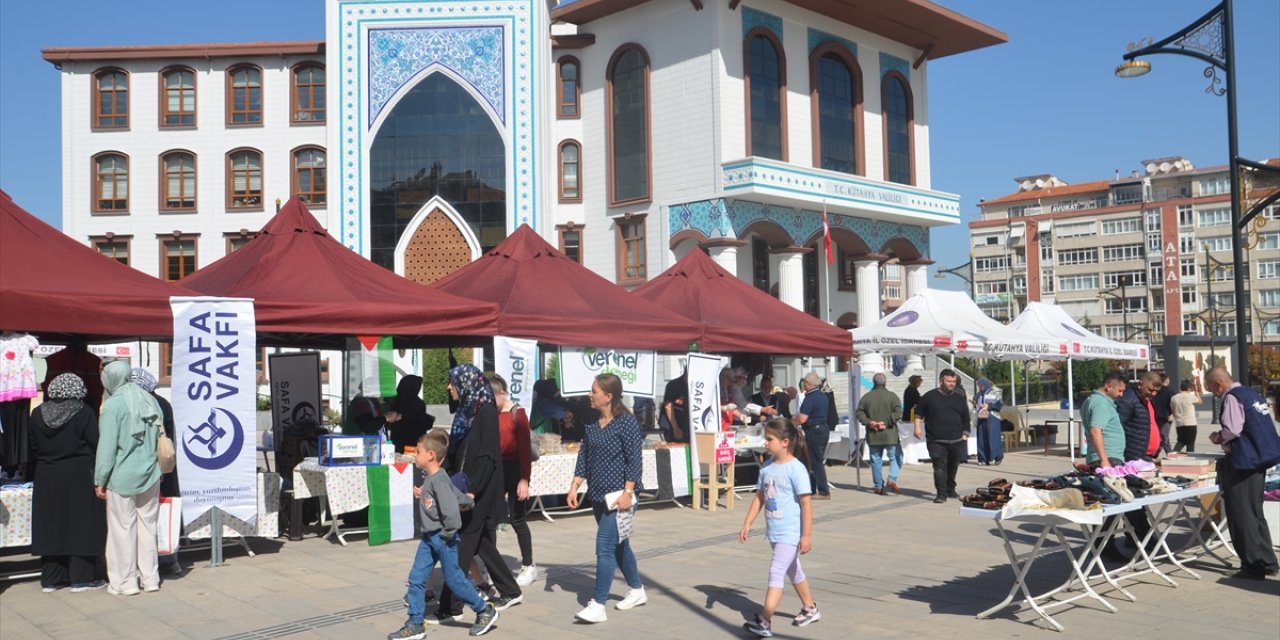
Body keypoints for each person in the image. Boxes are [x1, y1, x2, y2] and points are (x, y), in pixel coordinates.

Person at [430, 365, 522, 624]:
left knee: (459, 549)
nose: (449, 387)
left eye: (452, 382)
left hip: (477, 491)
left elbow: (487, 456)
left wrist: (471, 491)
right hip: (467, 487)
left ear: (467, 383)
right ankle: (510, 590)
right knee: (481, 543)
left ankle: (451, 606)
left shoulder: (485, 411)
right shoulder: (468, 410)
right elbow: (458, 449)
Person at [389, 432, 499, 639]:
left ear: (431, 455)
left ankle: (485, 610)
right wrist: (467, 501)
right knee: (416, 580)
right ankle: (415, 624)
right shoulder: (436, 480)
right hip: (429, 539)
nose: (415, 455)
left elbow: (451, 514)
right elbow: (456, 497)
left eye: (418, 452)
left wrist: (447, 534)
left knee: (455, 579)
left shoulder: (438, 480)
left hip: (442, 538)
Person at [566, 373, 646, 623]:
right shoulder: (591, 422)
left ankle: (598, 603)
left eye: (594, 391)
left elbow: (635, 460)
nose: (590, 395)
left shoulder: (627, 423)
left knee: (604, 546)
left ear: (609, 396)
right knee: (619, 544)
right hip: (598, 495)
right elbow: (584, 456)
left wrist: (628, 492)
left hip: (620, 497)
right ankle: (637, 590)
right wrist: (574, 485)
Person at [738, 419, 820, 637]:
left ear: (785, 442)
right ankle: (810, 608)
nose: (765, 443)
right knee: (793, 570)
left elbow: (806, 505)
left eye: (769, 439)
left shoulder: (797, 469)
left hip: (790, 533)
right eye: (765, 439)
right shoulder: (766, 467)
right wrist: (747, 523)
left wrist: (806, 535)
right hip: (774, 532)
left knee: (776, 572)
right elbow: (759, 498)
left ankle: (764, 620)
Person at [29, 373, 106, 593]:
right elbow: (95, 442)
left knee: (50, 525)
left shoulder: (37, 414)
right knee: (81, 524)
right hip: (78, 474)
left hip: (46, 475)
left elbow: (33, 446)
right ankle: (82, 579)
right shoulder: (83, 413)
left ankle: (52, 579)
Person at [94, 360, 163, 596]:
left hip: (122, 477)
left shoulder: (112, 405)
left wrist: (100, 479)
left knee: (121, 529)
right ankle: (151, 578)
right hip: (151, 473)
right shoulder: (149, 399)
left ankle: (125, 582)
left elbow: (107, 448)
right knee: (148, 527)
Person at [1205, 367, 1280, 580]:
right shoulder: (1251, 394)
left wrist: (1218, 437)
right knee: (1255, 512)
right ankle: (1267, 561)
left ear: (1218, 384)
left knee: (1241, 514)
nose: (1213, 392)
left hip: (1244, 460)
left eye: (1211, 387)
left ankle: (1252, 566)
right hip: (1260, 457)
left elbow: (1232, 430)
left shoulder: (1232, 397)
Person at [131, 368, 182, 576]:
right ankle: (169, 559)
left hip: (142, 468)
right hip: (166, 468)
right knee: (164, 515)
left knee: (140, 518)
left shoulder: (133, 403)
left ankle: (141, 564)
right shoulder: (163, 403)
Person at [489, 373, 537, 587]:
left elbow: (526, 450)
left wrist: (524, 479)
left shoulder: (518, 414)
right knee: (490, 520)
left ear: (503, 393)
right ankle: (490, 566)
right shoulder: (490, 413)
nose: (490, 402)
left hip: (515, 469)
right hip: (496, 470)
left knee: (518, 519)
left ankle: (528, 565)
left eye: (493, 397)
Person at [913, 369, 969, 504]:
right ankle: (941, 493)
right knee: (939, 466)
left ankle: (951, 489)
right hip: (936, 439)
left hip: (956, 439)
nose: (951, 384)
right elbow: (918, 413)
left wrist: (965, 433)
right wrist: (917, 427)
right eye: (949, 381)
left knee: (953, 466)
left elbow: (965, 417)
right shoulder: (929, 397)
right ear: (941, 381)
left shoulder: (959, 397)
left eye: (953, 381)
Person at [856, 373, 902, 496]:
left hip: (873, 434)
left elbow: (859, 413)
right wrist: (886, 422)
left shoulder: (866, 397)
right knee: (896, 457)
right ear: (885, 382)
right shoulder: (893, 396)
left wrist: (869, 422)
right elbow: (898, 413)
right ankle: (892, 478)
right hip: (890, 434)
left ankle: (878, 486)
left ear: (873, 382)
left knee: (876, 460)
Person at [791, 372, 831, 500]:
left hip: (814, 430)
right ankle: (812, 489)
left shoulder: (810, 398)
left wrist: (792, 420)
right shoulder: (822, 396)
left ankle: (824, 491)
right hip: (823, 428)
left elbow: (802, 419)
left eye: (804, 383)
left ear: (808, 384)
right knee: (813, 460)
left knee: (815, 461)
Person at [1082, 373, 1128, 469]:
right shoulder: (1101, 403)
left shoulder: (1092, 400)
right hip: (1109, 458)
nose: (1121, 395)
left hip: (1105, 457)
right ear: (1109, 386)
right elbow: (1095, 431)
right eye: (1120, 391)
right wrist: (1104, 460)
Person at [385, 375, 435, 453]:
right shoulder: (417, 403)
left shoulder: (395, 402)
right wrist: (430, 420)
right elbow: (423, 422)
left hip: (397, 442)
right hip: (414, 443)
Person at [973, 378, 1004, 466]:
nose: (980, 387)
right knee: (981, 438)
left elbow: (999, 405)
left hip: (992, 418)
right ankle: (983, 458)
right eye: (979, 386)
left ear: (986, 385)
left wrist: (989, 406)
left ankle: (997, 457)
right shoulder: (978, 394)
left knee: (993, 438)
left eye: (982, 385)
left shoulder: (993, 393)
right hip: (981, 417)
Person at [1169, 379, 1203, 453]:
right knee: (1190, 444)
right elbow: (1200, 402)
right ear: (1189, 388)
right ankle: (1190, 459)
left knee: (1180, 442)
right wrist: (1197, 393)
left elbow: (1173, 411)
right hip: (1190, 423)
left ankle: (1173, 454)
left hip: (1179, 423)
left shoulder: (1174, 398)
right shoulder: (1190, 396)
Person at [661, 370, 690, 443]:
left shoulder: (693, 385)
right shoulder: (674, 385)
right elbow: (668, 406)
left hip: (686, 425)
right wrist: (675, 428)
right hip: (672, 425)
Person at [1152, 372, 1176, 457]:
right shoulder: (1170, 392)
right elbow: (1175, 404)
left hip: (1157, 417)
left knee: (1161, 437)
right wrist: (1173, 414)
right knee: (1163, 437)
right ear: (1165, 380)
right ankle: (1169, 455)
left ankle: (1155, 454)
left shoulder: (1154, 391)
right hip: (1166, 417)